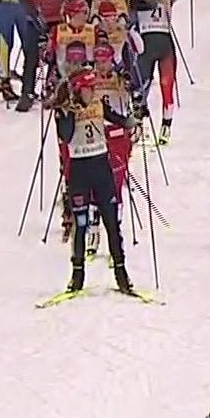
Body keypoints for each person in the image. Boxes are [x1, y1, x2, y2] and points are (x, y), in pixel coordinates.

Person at [50, 68, 138, 297]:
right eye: (88, 89)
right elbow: (66, 136)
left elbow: (118, 119)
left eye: (93, 88)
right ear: (78, 90)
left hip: (101, 169)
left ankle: (122, 275)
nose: (92, 93)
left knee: (112, 223)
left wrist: (132, 120)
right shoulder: (64, 110)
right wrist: (69, 111)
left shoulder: (98, 103)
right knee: (81, 224)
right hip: (79, 172)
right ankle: (77, 276)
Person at [131, 0, 189, 145]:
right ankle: (137, 123)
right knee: (142, 86)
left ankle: (166, 126)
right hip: (145, 49)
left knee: (167, 85)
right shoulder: (134, 1)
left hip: (165, 48)